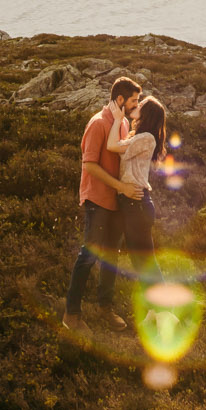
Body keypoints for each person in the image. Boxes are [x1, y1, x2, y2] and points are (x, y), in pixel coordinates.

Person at [63, 76, 144, 330]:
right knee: (88, 256)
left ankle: (104, 309)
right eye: (133, 101)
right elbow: (88, 165)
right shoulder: (98, 124)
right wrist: (121, 187)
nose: (136, 105)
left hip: (115, 203)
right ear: (120, 100)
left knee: (111, 257)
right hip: (98, 200)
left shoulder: (120, 124)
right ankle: (71, 315)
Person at [108, 97, 167, 286]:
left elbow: (112, 146)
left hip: (138, 203)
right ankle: (153, 311)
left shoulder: (146, 138)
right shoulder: (137, 136)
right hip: (132, 203)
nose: (137, 105)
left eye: (141, 105)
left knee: (146, 263)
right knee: (139, 262)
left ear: (147, 113)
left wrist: (118, 119)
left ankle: (166, 311)